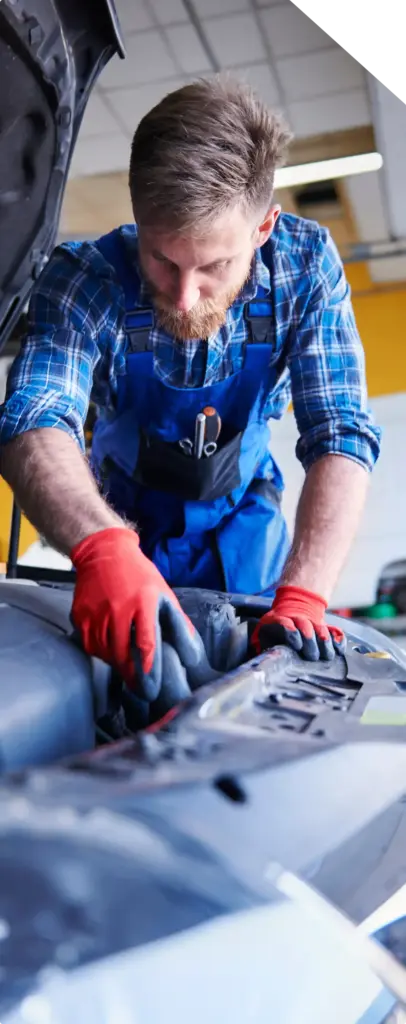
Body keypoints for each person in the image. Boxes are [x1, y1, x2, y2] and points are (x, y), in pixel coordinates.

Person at [0, 76, 381, 701]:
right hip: (121, 527)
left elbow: (341, 430)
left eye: (214, 266)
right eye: (162, 259)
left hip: (246, 530)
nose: (184, 294)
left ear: (264, 228)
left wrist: (306, 592)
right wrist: (101, 549)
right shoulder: (86, 279)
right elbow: (35, 413)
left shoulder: (304, 267)